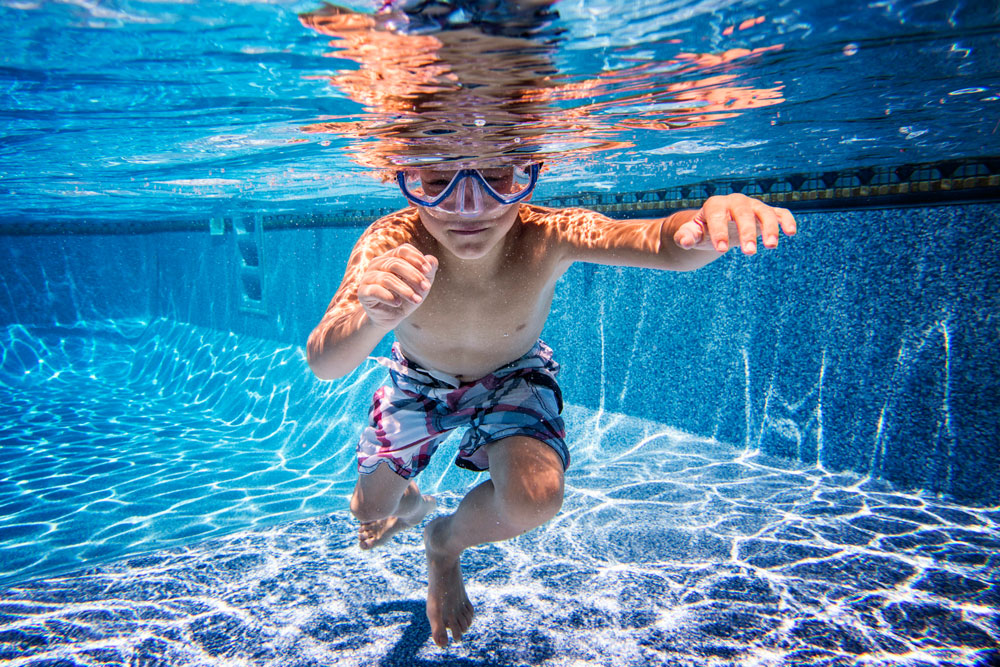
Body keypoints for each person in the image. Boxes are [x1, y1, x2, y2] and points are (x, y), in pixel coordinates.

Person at [306, 160, 797, 647]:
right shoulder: (391, 240)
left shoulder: (548, 231)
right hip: (418, 382)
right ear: (409, 184)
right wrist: (371, 318)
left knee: (534, 498)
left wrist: (705, 228)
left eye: (495, 178)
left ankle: (444, 542)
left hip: (512, 376)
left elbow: (660, 244)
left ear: (524, 175)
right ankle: (409, 503)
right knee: (369, 509)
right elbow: (326, 361)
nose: (468, 205)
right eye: (437, 182)